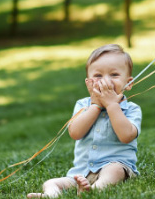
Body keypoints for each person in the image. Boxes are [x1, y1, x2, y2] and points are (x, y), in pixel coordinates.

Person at [27, 44, 142, 198]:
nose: (105, 81)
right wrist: (95, 106)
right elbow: (75, 133)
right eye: (98, 76)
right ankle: (50, 195)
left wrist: (112, 105)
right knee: (51, 182)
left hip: (115, 168)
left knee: (114, 170)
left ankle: (94, 190)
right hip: (81, 173)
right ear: (88, 82)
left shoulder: (132, 109)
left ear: (129, 83)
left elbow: (126, 136)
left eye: (114, 75)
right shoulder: (83, 105)